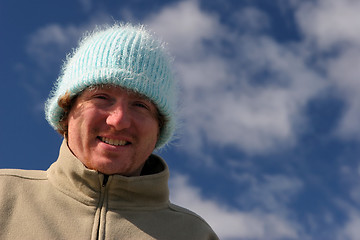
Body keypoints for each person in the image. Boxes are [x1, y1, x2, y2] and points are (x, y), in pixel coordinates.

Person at [0, 24, 219, 239]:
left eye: (140, 105)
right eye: (101, 97)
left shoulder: (195, 234)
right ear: (67, 111)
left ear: (159, 129)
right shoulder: (4, 196)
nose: (119, 120)